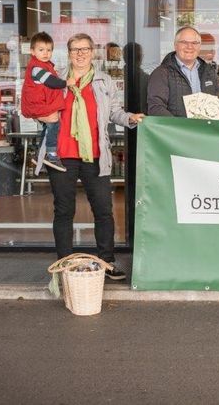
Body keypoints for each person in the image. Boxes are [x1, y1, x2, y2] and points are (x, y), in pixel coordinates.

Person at [47, 33, 145, 280]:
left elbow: (115, 113)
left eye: (84, 49)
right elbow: (37, 107)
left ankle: (107, 261)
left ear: (92, 52)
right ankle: (63, 265)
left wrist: (131, 119)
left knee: (103, 210)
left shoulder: (104, 81)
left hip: (95, 155)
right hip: (62, 156)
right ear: (68, 53)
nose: (80, 54)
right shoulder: (56, 79)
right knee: (63, 211)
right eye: (74, 49)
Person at [21, 31, 77, 172]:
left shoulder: (44, 65)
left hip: (41, 104)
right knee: (54, 123)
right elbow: (51, 82)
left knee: (48, 128)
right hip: (37, 105)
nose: (46, 53)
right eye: (41, 50)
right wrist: (66, 82)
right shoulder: (37, 68)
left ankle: (40, 154)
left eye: (49, 50)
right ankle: (51, 154)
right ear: (32, 51)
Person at [147, 26, 219, 118]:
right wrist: (183, 128)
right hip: (176, 131)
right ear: (175, 45)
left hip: (206, 131)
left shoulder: (209, 72)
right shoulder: (161, 73)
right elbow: (156, 108)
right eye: (184, 42)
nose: (189, 47)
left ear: (199, 46)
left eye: (194, 43)